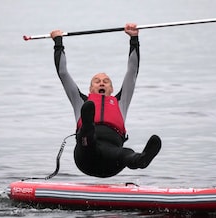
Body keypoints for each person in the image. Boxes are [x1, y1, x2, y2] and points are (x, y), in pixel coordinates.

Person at [50, 23, 161, 178]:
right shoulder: (80, 100)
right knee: (88, 134)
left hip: (112, 161)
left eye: (106, 81)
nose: (101, 82)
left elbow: (132, 71)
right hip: (86, 155)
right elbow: (63, 73)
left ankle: (140, 160)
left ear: (111, 89)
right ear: (90, 89)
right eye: (97, 81)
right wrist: (58, 42)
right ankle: (88, 125)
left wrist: (134, 39)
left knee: (126, 153)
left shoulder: (121, 101)